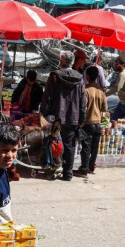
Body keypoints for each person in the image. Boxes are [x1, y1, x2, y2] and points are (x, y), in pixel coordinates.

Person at [40, 50, 86, 181]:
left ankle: (52, 171)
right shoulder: (80, 78)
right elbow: (83, 102)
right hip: (73, 117)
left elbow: (47, 97)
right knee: (69, 145)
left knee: (53, 143)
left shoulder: (54, 76)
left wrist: (43, 113)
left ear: (61, 60)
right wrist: (81, 119)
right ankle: (68, 173)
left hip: (56, 117)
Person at [74, 66, 107, 177]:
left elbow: (82, 108)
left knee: (86, 148)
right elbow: (104, 108)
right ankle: (91, 167)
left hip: (88, 123)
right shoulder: (100, 91)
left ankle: (83, 170)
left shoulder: (85, 90)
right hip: (98, 123)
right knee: (94, 148)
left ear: (87, 76)